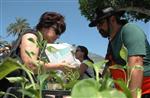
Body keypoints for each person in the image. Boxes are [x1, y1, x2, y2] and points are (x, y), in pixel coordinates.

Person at [89, 7, 150, 98]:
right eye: (97, 26)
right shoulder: (111, 43)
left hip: (144, 92)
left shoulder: (129, 30)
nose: (98, 28)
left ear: (113, 20)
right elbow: (107, 69)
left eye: (101, 23)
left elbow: (136, 62)